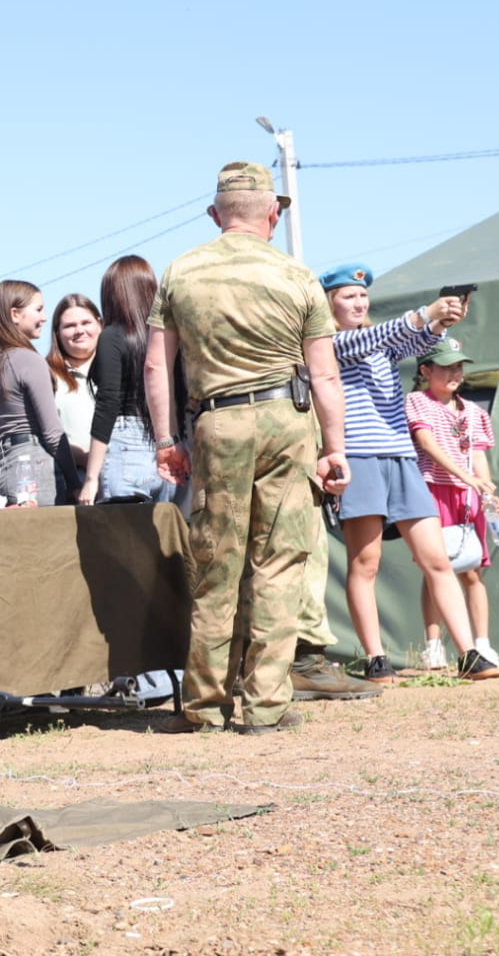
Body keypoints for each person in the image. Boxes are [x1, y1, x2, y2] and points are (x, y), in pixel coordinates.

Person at [145, 161, 349, 734]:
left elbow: (158, 363)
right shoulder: (299, 276)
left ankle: (205, 706)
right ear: (273, 214)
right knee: (280, 563)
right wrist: (335, 450)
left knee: (215, 565)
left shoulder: (179, 273)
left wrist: (166, 438)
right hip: (289, 420)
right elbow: (326, 376)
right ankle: (265, 706)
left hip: (218, 421)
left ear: (216, 216)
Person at [322, 265, 498, 683]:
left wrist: (441, 322)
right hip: (360, 458)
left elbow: (413, 339)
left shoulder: (381, 342)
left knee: (437, 559)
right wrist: (426, 313)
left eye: (362, 296)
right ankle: (376, 658)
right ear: (329, 302)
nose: (359, 303)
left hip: (401, 459)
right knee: (365, 563)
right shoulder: (330, 342)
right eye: (348, 296)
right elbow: (376, 337)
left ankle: (470, 653)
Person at [408, 338, 499, 669]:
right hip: (433, 489)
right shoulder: (417, 402)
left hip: (468, 496)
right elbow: (426, 442)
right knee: (436, 567)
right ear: (426, 370)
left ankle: (483, 644)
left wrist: (487, 491)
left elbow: (478, 453)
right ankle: (433, 646)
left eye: (459, 367)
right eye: (446, 367)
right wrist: (464, 476)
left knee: (473, 572)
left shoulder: (475, 412)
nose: (455, 373)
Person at [78, 258, 187, 507]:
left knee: (124, 540)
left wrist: (91, 477)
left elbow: (108, 403)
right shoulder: (169, 337)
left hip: (127, 446)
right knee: (165, 540)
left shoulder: (113, 337)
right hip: (171, 442)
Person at [0, 280, 81, 505]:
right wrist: (75, 484)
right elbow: (52, 433)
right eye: (38, 309)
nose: (44, 317)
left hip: (0, 471)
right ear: (15, 314)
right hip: (34, 470)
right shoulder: (28, 360)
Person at [46, 293, 101, 478]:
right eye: (70, 326)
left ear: (100, 324)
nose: (79, 330)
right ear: (57, 333)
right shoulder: (47, 375)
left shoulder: (122, 370)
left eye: (86, 323)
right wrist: (83, 459)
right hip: (69, 481)